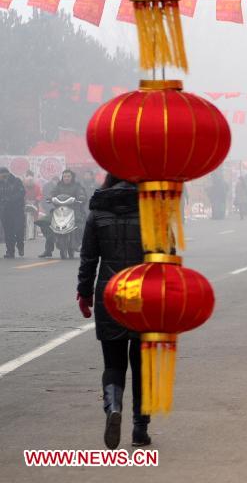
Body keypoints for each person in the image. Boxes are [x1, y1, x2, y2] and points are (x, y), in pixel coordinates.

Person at [75, 174, 148, 449]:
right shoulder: (151, 211)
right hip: (144, 296)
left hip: (109, 294)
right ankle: (140, 428)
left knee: (113, 363)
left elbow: (88, 257)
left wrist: (84, 293)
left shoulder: (97, 211)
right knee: (142, 366)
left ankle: (113, 405)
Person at [39, 169, 88, 258]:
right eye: (64, 176)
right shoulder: (58, 186)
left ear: (72, 177)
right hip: (59, 210)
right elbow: (52, 193)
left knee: (80, 224)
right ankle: (48, 250)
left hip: (74, 210)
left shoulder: (77, 186)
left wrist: (81, 197)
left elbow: (82, 194)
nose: (66, 178)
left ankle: (77, 244)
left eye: (68, 176)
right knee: (46, 223)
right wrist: (50, 197)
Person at [0, 167, 26, 258]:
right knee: (8, 232)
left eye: (3, 175)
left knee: (19, 230)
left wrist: (10, 200)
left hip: (17, 210)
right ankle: (10, 251)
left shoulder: (16, 181)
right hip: (5, 211)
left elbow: (21, 193)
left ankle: (20, 245)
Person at [23, 170, 42, 241]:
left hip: (34, 206)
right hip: (25, 206)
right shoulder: (23, 186)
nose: (29, 182)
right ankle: (27, 235)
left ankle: (32, 235)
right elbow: (21, 195)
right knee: (26, 220)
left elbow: (40, 195)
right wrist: (25, 200)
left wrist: (35, 200)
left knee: (34, 220)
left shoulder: (37, 186)